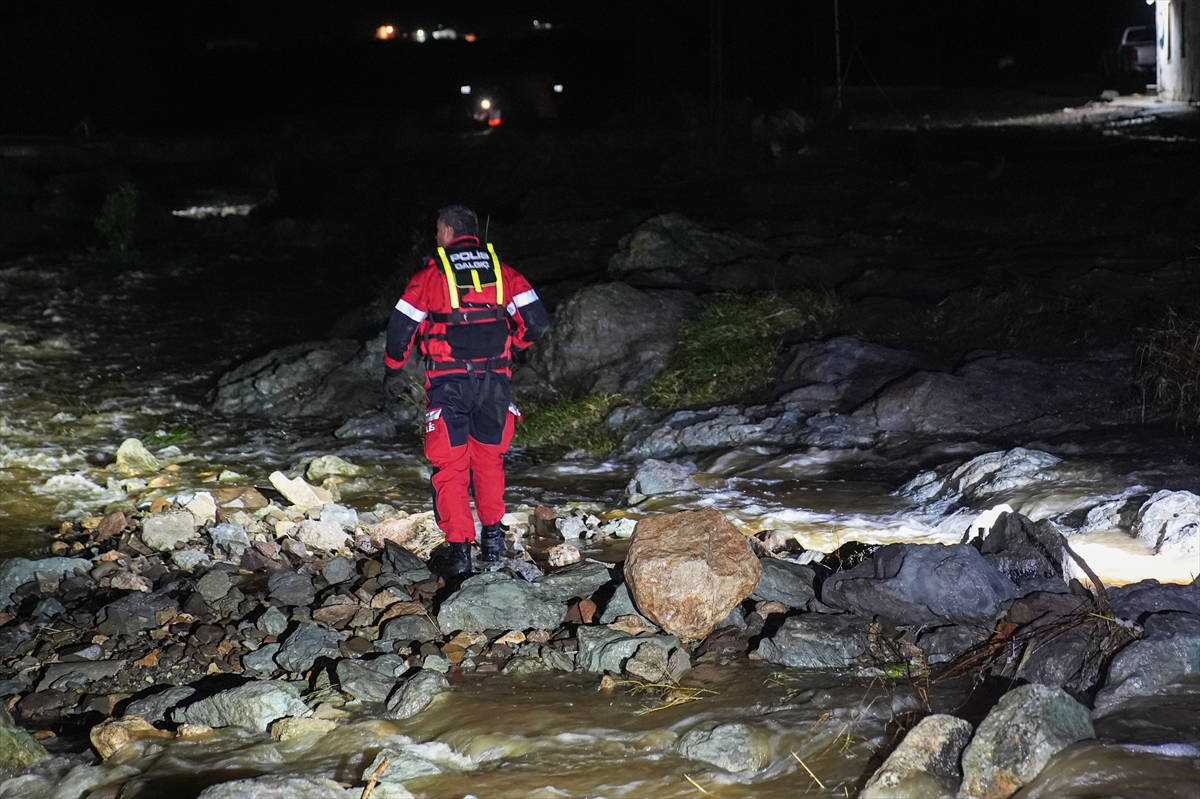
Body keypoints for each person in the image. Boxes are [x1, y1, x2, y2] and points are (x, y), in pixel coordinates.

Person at [383, 205, 549, 576]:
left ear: (447, 231)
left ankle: (459, 550)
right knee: (489, 461)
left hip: (448, 386)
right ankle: (492, 538)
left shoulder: (430, 277)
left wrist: (393, 370)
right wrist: (516, 347)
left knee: (451, 467)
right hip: (495, 385)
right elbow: (536, 321)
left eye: (438, 229)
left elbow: (400, 329)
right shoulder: (504, 274)